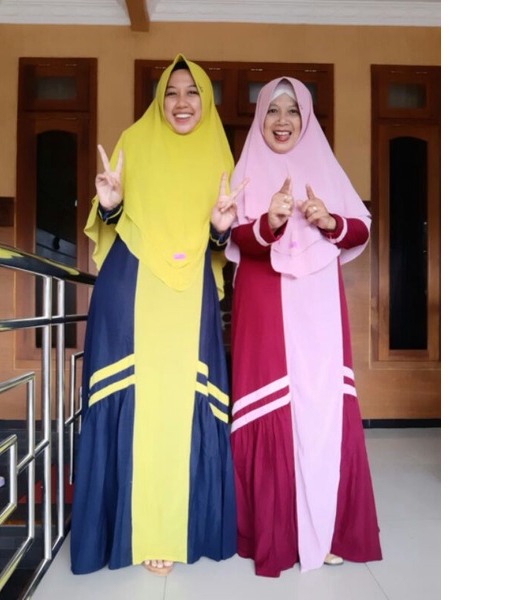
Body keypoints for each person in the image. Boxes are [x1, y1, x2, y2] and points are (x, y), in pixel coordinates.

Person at [70, 54, 247, 577]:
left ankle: (174, 526)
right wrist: (110, 203)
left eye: (193, 92)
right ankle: (136, 529)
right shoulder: (134, 141)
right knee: (137, 399)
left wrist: (220, 229)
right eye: (171, 92)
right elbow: (111, 220)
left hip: (190, 291)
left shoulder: (220, 155)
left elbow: (220, 242)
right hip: (131, 287)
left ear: (207, 100)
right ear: (158, 99)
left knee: (181, 401)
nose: (182, 102)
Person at [225, 77, 383, 578]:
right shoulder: (246, 169)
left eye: (292, 110)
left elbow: (359, 226)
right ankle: (274, 532)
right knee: (271, 401)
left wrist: (328, 220)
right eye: (272, 110)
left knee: (322, 405)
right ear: (260, 118)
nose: (282, 120)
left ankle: (329, 529)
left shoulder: (325, 165)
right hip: (264, 300)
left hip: (318, 304)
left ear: (306, 117)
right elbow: (232, 236)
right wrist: (269, 221)